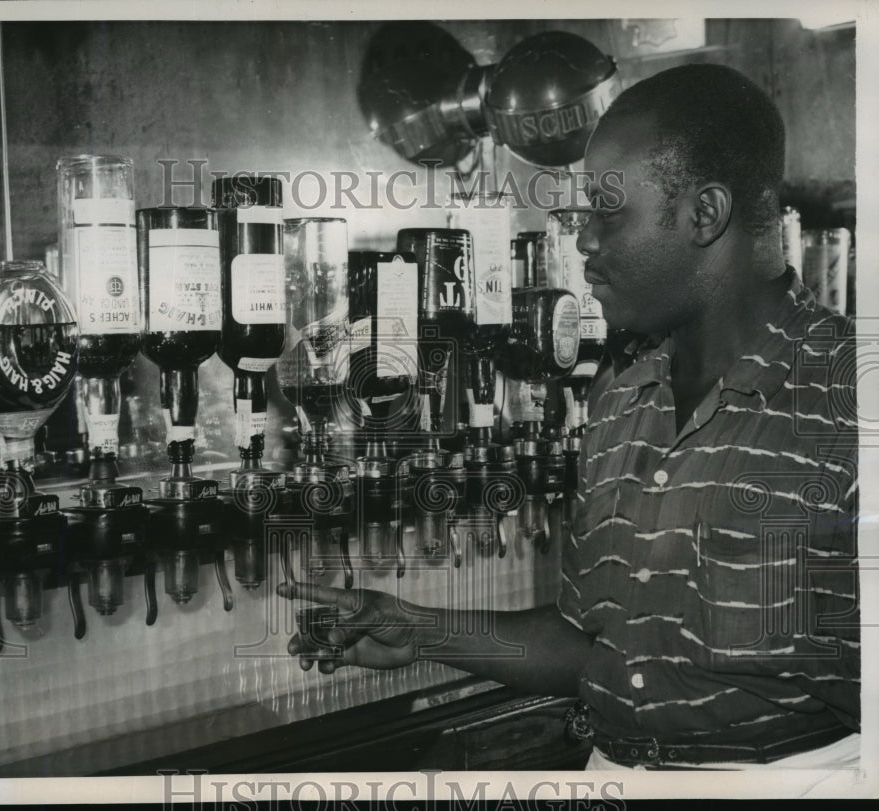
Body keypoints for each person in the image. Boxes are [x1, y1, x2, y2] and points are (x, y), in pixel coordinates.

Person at [280, 64, 860, 770]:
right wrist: (421, 630)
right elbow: (590, 643)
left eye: (607, 213)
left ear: (705, 214)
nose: (583, 241)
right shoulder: (622, 398)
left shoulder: (849, 398)